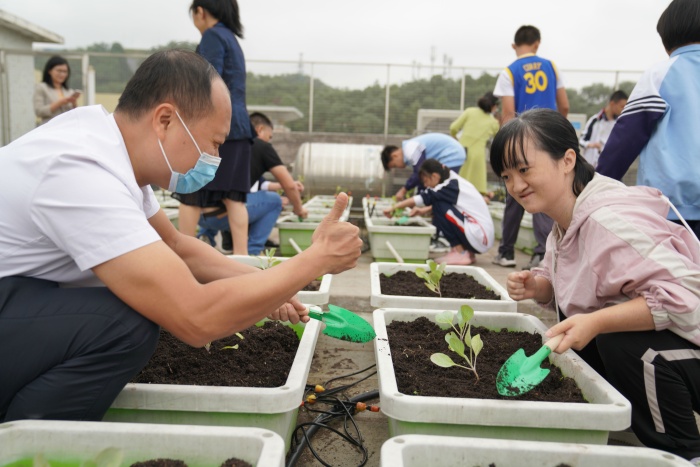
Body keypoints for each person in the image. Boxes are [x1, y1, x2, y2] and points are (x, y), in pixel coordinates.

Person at [0, 49, 362, 423]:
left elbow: (177, 247)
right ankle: (28, 441)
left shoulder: (105, 145)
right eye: (215, 143)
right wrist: (315, 259)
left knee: (138, 297)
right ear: (165, 120)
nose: (215, 159)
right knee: (125, 326)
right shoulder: (80, 171)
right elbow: (196, 318)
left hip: (18, 293)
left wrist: (269, 287)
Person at [491, 108, 700, 461]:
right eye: (506, 176)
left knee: (619, 342)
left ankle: (683, 452)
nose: (515, 186)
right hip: (681, 350)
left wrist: (597, 321)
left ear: (567, 160)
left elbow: (688, 295)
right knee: (582, 337)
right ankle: (633, 419)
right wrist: (538, 286)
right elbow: (573, 282)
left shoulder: (609, 221)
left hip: (689, 347)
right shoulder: (565, 221)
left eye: (524, 170)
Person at [597, 0, 700, 240]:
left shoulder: (660, 74)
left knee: (675, 266)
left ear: (667, 40)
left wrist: (594, 187)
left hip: (671, 210)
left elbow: (625, 138)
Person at [173, 0, 253, 255]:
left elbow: (207, 83)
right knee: (234, 198)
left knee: (191, 193)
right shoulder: (231, 39)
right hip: (239, 127)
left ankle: (183, 257)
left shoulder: (212, 36)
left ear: (200, 11)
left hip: (217, 126)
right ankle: (242, 260)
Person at [491, 25, 569, 271]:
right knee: (545, 193)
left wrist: (507, 147)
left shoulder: (509, 72)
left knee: (516, 194)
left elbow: (507, 114)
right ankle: (542, 253)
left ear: (514, 46)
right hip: (548, 139)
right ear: (537, 43)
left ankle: (506, 252)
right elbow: (564, 106)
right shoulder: (551, 66)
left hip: (520, 140)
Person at [197, 111, 308, 254]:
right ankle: (252, 251)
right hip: (224, 214)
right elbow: (289, 186)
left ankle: (205, 238)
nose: (269, 141)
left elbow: (261, 183)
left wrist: (281, 185)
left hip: (195, 213)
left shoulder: (227, 140)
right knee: (274, 201)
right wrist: (299, 209)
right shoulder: (261, 146)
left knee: (218, 192)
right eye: (269, 136)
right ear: (259, 130)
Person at [383, 159, 494, 265]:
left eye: (426, 181)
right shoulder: (452, 180)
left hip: (480, 237)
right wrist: (422, 211)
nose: (425, 185)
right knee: (439, 204)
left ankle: (459, 252)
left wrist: (394, 208)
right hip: (480, 236)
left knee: (438, 205)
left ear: (435, 176)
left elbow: (421, 199)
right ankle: (467, 253)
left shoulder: (448, 185)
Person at [381, 132, 466, 201]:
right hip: (451, 154)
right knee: (440, 188)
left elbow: (420, 172)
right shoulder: (410, 151)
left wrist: (403, 190)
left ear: (395, 156)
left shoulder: (409, 148)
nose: (398, 168)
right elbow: (422, 179)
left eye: (395, 165)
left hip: (452, 154)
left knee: (444, 188)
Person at [449, 92, 500, 197]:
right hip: (478, 157)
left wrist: (455, 138)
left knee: (457, 184)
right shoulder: (493, 122)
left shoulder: (469, 111)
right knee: (477, 191)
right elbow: (499, 138)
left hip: (461, 152)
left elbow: (453, 128)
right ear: (493, 106)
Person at [579, 90, 628, 168]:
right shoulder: (595, 120)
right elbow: (581, 140)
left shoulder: (619, 124)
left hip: (609, 167)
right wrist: (591, 145)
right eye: (622, 106)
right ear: (612, 103)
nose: (623, 109)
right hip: (590, 167)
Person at [33, 55, 81, 125]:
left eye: (65, 72)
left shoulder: (69, 91)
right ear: (49, 71)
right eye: (59, 71)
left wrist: (74, 103)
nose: (62, 74)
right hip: (50, 127)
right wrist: (59, 103)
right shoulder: (41, 88)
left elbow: (74, 114)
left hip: (67, 126)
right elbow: (39, 112)